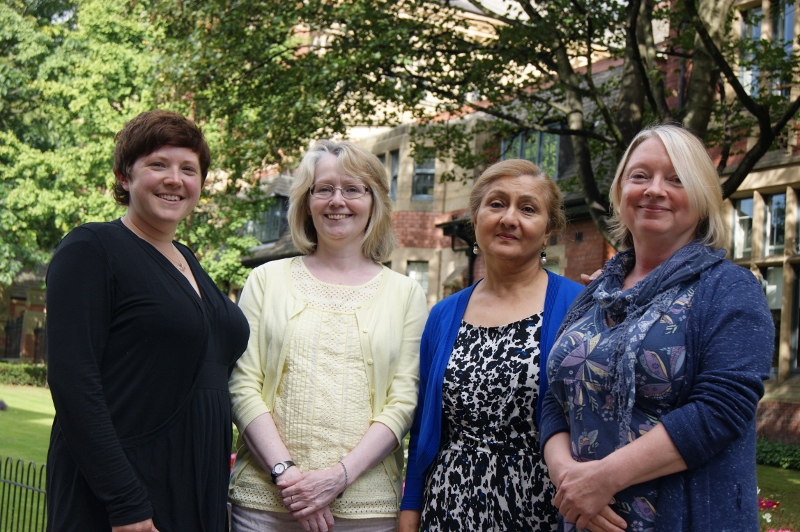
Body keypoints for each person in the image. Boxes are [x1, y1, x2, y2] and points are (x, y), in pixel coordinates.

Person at [541, 124, 774, 532]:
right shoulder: (596, 292)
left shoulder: (731, 290)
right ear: (620, 192)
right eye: (640, 176)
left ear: (702, 199)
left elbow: (722, 410)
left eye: (676, 179)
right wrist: (568, 476)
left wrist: (603, 478)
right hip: (581, 516)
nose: (654, 189)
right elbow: (555, 398)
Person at [45, 110, 250, 532]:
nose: (175, 179)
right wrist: (125, 502)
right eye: (158, 165)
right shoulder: (91, 249)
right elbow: (73, 382)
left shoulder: (189, 261)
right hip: (126, 495)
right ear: (124, 176)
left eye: (188, 169)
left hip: (195, 490)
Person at [228, 140, 428, 532]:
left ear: (374, 202)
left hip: (366, 510)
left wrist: (337, 477)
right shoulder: (266, 280)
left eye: (353, 189)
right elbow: (241, 384)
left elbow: (404, 400)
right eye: (324, 189)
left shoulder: (405, 293)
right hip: (267, 503)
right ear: (307, 201)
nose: (338, 200)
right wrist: (288, 476)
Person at [398, 159, 583, 531]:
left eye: (528, 208)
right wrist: (409, 515)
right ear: (476, 217)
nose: (509, 218)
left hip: (539, 509)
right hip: (446, 509)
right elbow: (424, 430)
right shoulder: (443, 315)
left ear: (548, 231)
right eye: (496, 204)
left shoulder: (578, 308)